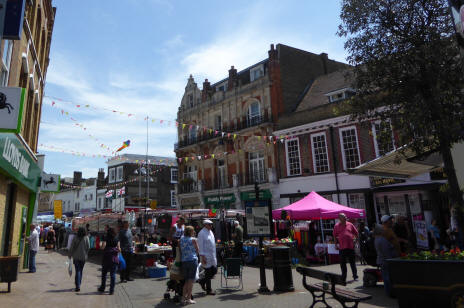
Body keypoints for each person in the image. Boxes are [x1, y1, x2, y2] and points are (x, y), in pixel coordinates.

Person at [374, 224, 399, 297]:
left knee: (385, 277)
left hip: (382, 260)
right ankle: (390, 292)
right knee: (388, 277)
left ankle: (388, 292)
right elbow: (386, 252)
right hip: (385, 260)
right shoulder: (382, 240)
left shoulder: (377, 239)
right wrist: (390, 260)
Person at [333, 213, 359, 282]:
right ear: (340, 219)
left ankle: (355, 276)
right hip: (342, 247)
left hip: (350, 246)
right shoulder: (336, 226)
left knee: (352, 262)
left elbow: (356, 233)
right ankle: (343, 277)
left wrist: (355, 241)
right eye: (344, 217)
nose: (345, 218)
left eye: (345, 217)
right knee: (343, 264)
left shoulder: (350, 224)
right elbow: (335, 236)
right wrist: (335, 245)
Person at [180, 226, 199, 305]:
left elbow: (181, 250)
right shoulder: (193, 240)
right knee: (191, 281)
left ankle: (183, 298)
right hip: (192, 260)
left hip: (184, 260)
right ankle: (188, 299)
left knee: (186, 280)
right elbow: (197, 250)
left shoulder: (181, 239)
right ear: (191, 232)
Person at [197, 219, 217, 295]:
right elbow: (200, 246)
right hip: (206, 256)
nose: (211, 226)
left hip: (212, 255)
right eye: (209, 224)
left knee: (214, 271)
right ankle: (209, 290)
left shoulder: (210, 232)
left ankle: (202, 281)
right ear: (205, 225)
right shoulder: (201, 233)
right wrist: (202, 257)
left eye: (211, 224)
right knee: (208, 273)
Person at [98, 227, 120, 295]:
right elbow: (119, 249)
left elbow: (102, 247)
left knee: (104, 274)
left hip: (106, 258)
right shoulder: (117, 239)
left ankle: (102, 287)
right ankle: (111, 290)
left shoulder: (105, 238)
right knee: (112, 275)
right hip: (114, 259)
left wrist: (100, 244)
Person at [68, 227, 90, 292]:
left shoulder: (75, 237)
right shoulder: (86, 238)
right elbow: (88, 247)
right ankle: (78, 284)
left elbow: (72, 247)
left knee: (78, 270)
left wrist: (70, 255)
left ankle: (77, 286)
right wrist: (86, 253)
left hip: (76, 257)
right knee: (81, 270)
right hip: (83, 257)